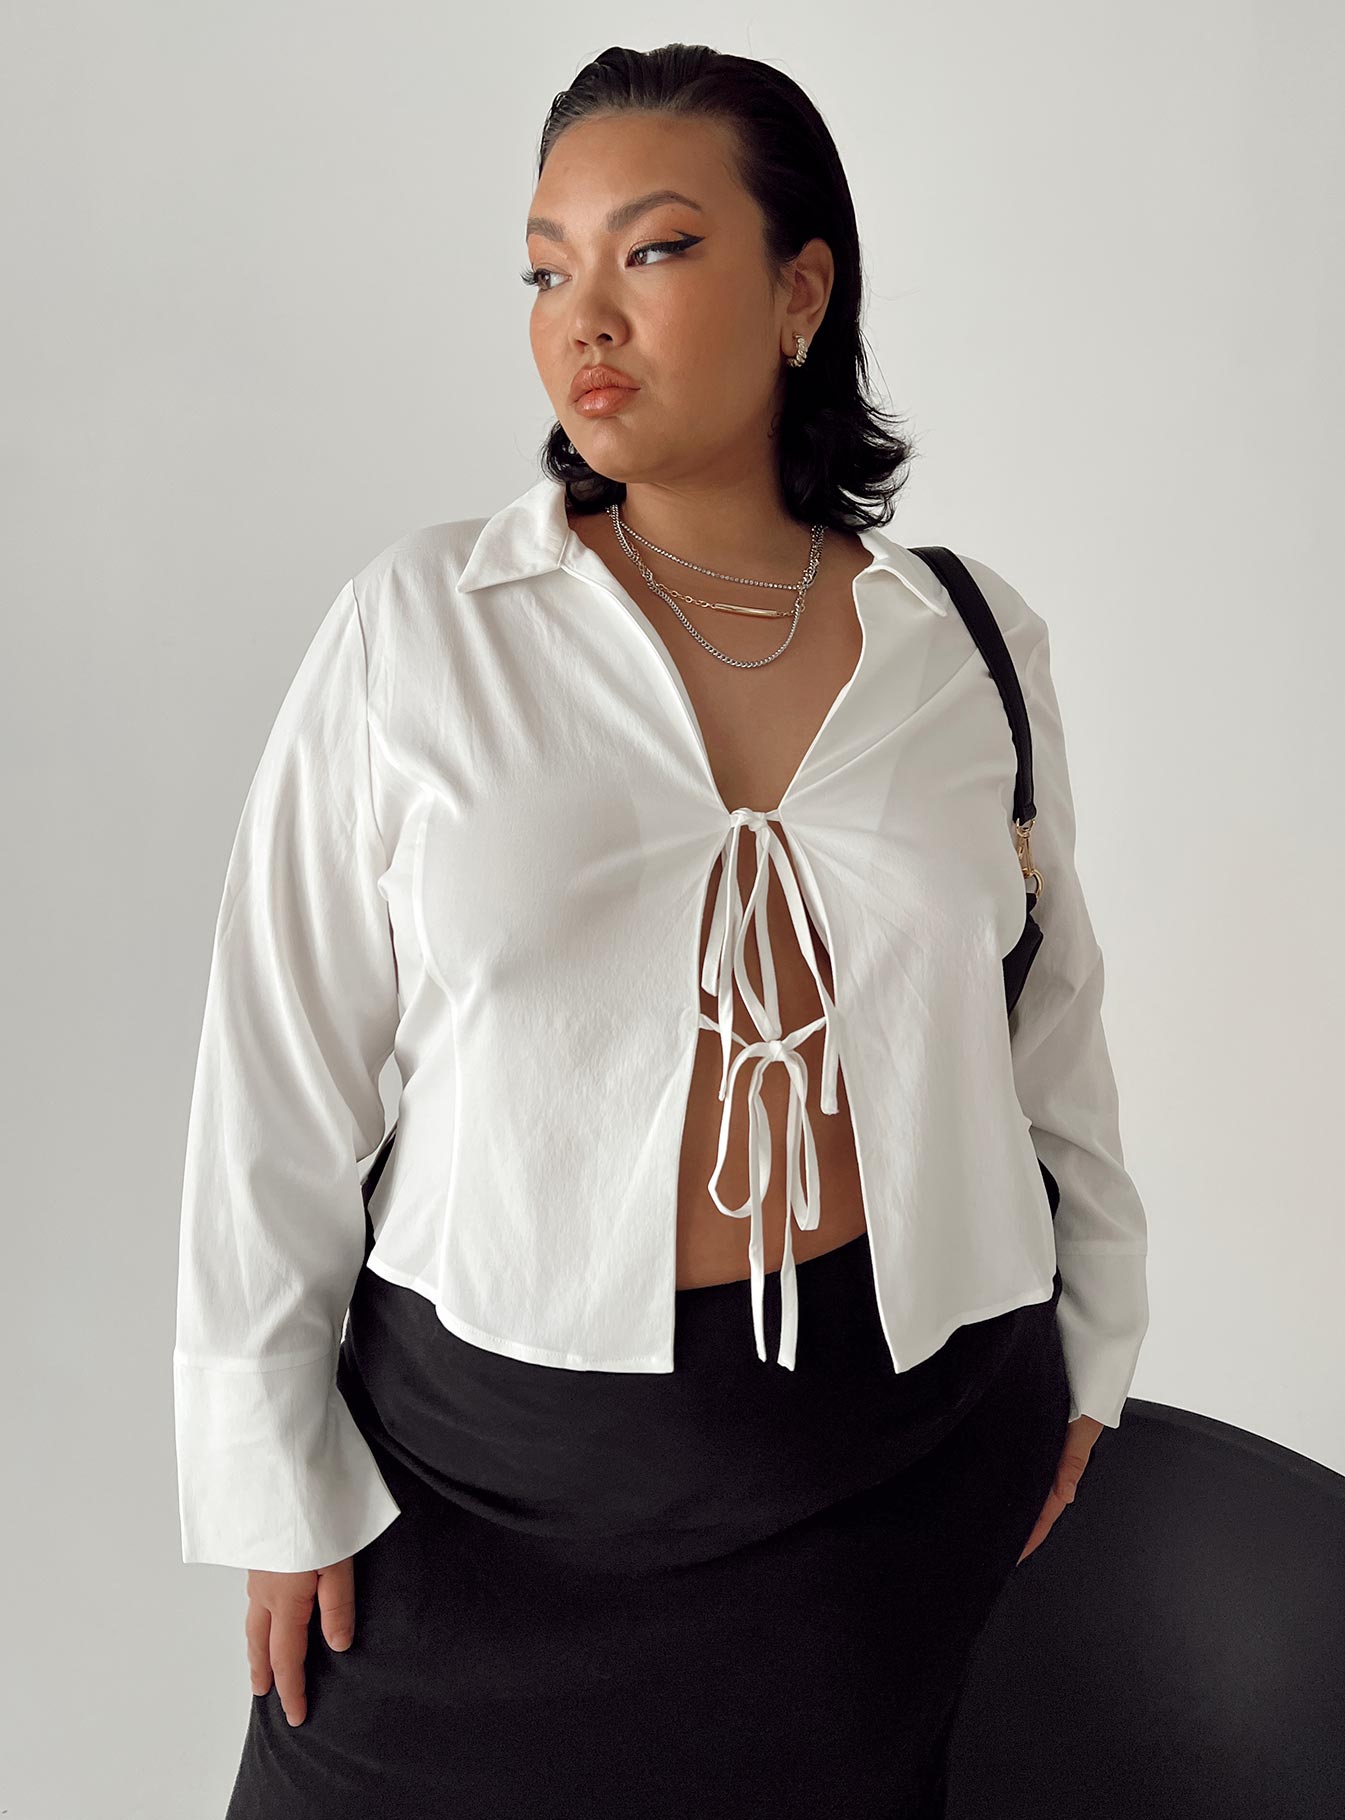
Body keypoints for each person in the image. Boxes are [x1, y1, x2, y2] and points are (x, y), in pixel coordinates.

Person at [174, 42, 1149, 1820]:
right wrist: (269, 1472)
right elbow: (275, 1067)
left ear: (800, 293)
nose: (584, 318)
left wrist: (1093, 1348)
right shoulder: (425, 627)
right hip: (482, 1487)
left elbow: (1045, 1015)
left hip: (895, 1470)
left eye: (654, 250)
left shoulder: (966, 642)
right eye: (546, 269)